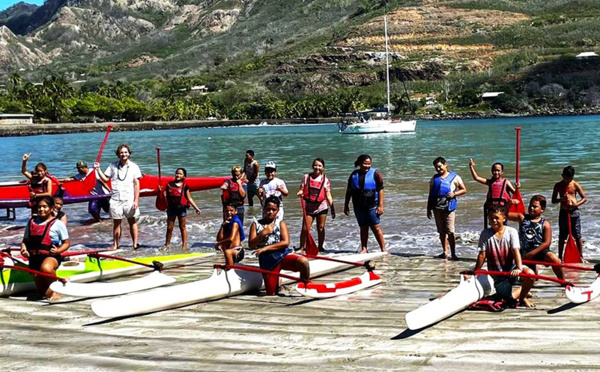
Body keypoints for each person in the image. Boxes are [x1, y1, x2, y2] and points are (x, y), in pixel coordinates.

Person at [472, 205, 535, 308]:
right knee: (508, 299)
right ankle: (522, 291)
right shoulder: (485, 233)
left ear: (504, 218)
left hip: (512, 268)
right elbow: (482, 255)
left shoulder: (511, 232)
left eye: (497, 218)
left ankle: (523, 297)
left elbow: (516, 251)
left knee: (531, 275)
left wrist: (519, 269)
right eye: (491, 218)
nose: (494, 220)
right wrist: (475, 272)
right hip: (498, 273)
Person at [249, 196, 310, 295]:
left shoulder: (280, 223)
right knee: (271, 293)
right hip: (268, 261)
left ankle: (305, 286)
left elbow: (286, 242)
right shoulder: (256, 224)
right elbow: (251, 245)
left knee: (303, 262)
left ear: (277, 211)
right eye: (268, 209)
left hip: (282, 256)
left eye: (274, 210)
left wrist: (265, 248)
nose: (271, 212)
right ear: (264, 209)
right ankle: (278, 282)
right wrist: (263, 233)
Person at [20, 196, 70, 301]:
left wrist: (58, 251)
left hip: (51, 257)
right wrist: (23, 250)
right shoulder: (31, 222)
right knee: (45, 294)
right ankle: (62, 280)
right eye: (39, 207)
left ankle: (57, 290)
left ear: (51, 208)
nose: (41, 209)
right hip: (34, 259)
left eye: (45, 207)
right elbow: (25, 241)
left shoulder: (58, 224)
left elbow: (66, 243)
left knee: (46, 268)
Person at [94, 144, 142, 250]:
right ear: (118, 154)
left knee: (132, 221)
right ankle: (115, 245)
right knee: (116, 223)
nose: (124, 154)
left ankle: (135, 244)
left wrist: (136, 200)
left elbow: (136, 184)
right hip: (116, 199)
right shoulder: (112, 166)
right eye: (121, 152)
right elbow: (105, 179)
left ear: (129, 154)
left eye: (126, 152)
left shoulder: (134, 166)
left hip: (129, 199)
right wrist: (98, 169)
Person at [508, 195, 564, 280]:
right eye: (530, 205)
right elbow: (504, 215)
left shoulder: (545, 224)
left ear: (542, 209)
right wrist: (509, 203)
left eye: (535, 206)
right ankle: (533, 272)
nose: (531, 208)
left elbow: (547, 243)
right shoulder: (522, 217)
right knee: (531, 279)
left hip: (539, 252)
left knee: (555, 259)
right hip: (524, 253)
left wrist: (532, 254)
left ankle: (562, 280)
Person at [344, 154, 386, 253]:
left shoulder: (375, 174)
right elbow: (349, 190)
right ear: (359, 163)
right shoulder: (354, 175)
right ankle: (364, 248)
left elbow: (380, 190)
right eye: (364, 164)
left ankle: (383, 249)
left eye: (369, 164)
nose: (367, 166)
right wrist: (346, 204)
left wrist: (380, 206)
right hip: (358, 205)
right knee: (363, 227)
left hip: (372, 205)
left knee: (376, 227)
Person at [427, 156, 467, 260]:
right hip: (437, 208)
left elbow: (464, 189)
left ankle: (453, 253)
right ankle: (445, 252)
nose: (438, 169)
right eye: (436, 168)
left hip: (449, 208)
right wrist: (428, 209)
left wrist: (454, 194)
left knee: (450, 231)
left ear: (445, 164)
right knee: (441, 232)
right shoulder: (434, 179)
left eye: (440, 167)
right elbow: (430, 194)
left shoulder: (455, 177)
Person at [296, 158, 335, 254]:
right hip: (309, 206)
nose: (317, 167)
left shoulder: (325, 179)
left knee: (320, 228)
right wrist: (300, 192)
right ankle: (301, 247)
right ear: (312, 166)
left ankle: (320, 247)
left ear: (323, 168)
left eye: (319, 166)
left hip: (322, 206)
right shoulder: (306, 177)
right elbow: (301, 189)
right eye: (315, 165)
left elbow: (328, 195)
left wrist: (332, 208)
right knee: (305, 228)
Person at [551, 165, 588, 260]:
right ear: (562, 175)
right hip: (563, 212)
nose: (567, 180)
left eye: (569, 178)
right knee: (562, 236)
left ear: (572, 177)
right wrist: (561, 200)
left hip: (574, 212)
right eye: (565, 178)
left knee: (577, 235)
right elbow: (553, 200)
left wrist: (576, 205)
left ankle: (580, 257)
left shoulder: (575, 184)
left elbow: (584, 198)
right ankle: (559, 257)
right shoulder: (558, 185)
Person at [469, 158, 517, 227]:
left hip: (503, 210)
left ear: (502, 172)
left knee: (503, 227)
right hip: (492, 211)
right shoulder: (490, 182)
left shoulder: (506, 182)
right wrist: (471, 167)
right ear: (491, 171)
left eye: (498, 171)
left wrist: (517, 187)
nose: (496, 172)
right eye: (494, 171)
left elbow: (515, 193)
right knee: (492, 228)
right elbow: (476, 178)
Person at [162, 168, 202, 251]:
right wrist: (160, 192)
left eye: (180, 174)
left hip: (182, 209)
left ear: (184, 176)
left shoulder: (185, 186)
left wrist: (196, 208)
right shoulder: (169, 185)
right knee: (169, 228)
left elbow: (189, 198)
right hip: (171, 209)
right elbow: (164, 196)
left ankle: (184, 245)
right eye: (177, 173)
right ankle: (167, 244)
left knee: (182, 227)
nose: (178, 175)